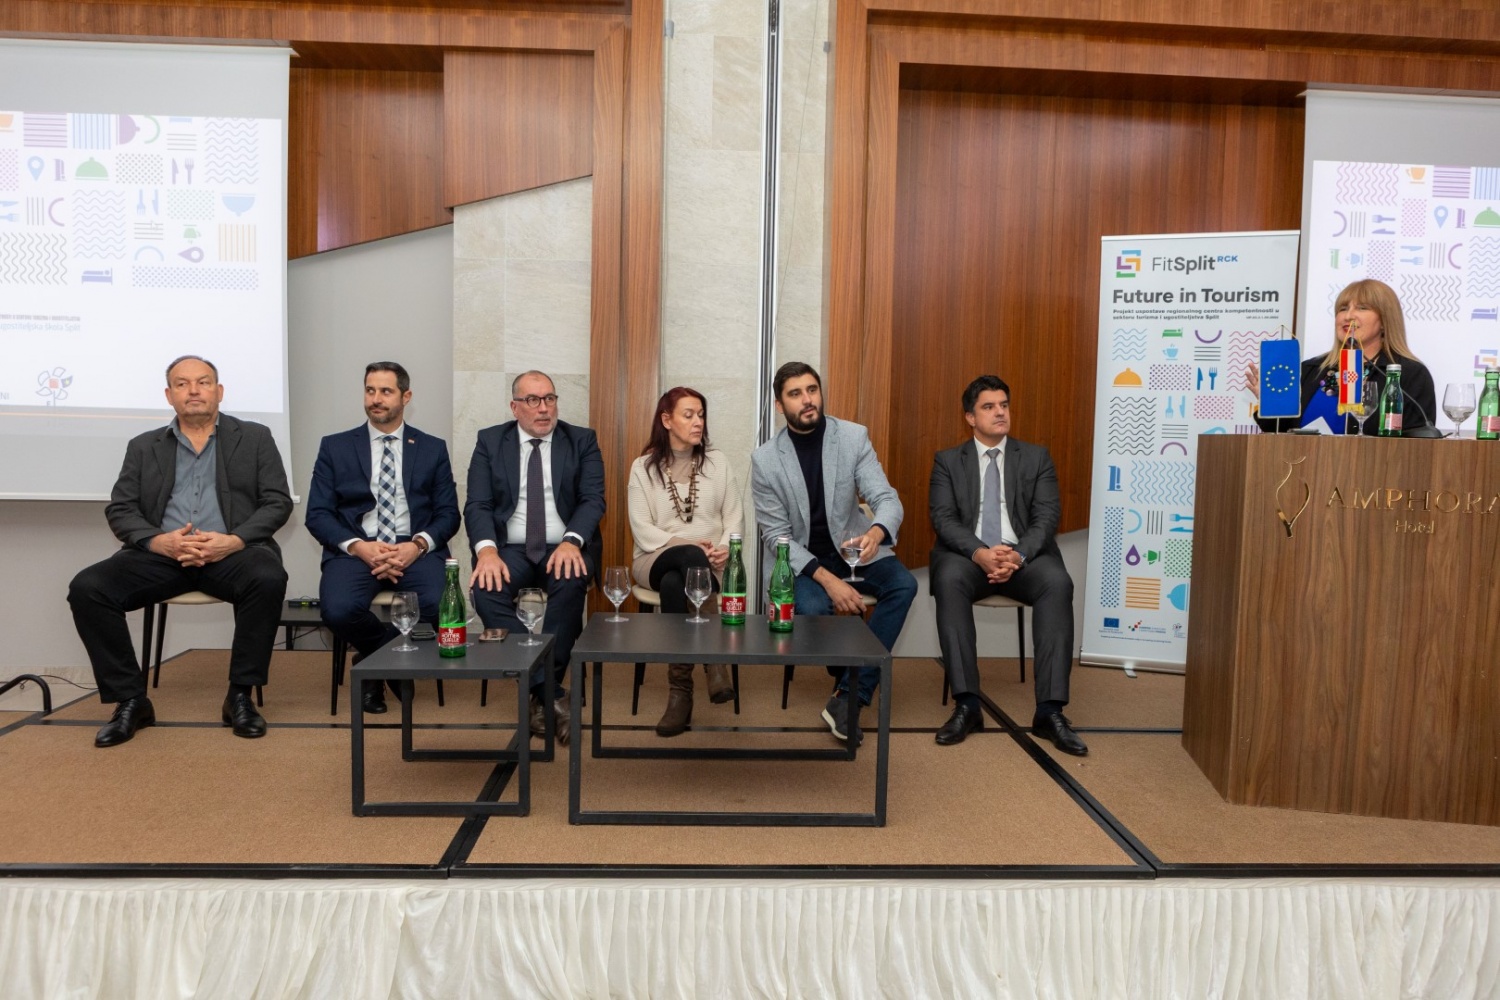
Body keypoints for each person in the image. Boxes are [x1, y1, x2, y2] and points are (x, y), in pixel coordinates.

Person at [67, 356, 291, 747]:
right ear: (169, 395)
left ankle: (240, 696)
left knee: (268, 577)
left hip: (231, 553)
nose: (194, 391)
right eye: (182, 384)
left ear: (219, 391)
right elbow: (121, 509)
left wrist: (233, 540)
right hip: (162, 556)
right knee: (88, 588)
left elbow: (277, 502)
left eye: (203, 382)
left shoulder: (255, 437)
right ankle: (131, 700)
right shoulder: (143, 446)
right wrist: (159, 542)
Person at [750, 361, 917, 747]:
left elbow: (886, 498)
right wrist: (830, 582)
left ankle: (848, 694)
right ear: (780, 406)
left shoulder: (853, 437)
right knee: (813, 608)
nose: (807, 400)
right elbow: (776, 537)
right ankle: (853, 686)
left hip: (852, 548)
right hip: (801, 561)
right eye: (795, 394)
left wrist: (876, 531)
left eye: (812, 389)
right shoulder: (766, 460)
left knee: (904, 585)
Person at [928, 375, 1085, 754]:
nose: (1000, 413)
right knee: (947, 578)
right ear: (970, 417)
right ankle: (968, 705)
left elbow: (1046, 517)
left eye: (1004, 405)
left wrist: (1017, 555)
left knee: (1057, 583)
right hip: (969, 558)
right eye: (989, 407)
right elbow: (943, 518)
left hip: (1024, 557)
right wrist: (980, 553)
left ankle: (1050, 711)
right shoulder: (948, 461)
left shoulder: (1036, 457)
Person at [305, 362, 460, 714]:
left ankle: (371, 663)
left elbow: (449, 514)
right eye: (370, 390)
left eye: (386, 391)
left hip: (413, 547)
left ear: (406, 396)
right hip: (357, 546)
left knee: (441, 605)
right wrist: (359, 547)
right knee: (338, 610)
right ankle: (384, 660)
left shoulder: (432, 448)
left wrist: (416, 546)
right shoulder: (335, 447)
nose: (376, 399)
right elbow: (318, 514)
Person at [465, 370, 605, 746]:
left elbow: (593, 500)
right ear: (515, 407)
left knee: (570, 580)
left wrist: (573, 541)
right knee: (485, 586)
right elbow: (478, 505)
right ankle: (550, 692)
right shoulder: (490, 441)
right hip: (509, 548)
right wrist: (487, 551)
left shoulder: (581, 440)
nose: (543, 408)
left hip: (563, 544)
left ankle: (539, 691)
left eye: (549, 399)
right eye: (533, 400)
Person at [627, 387, 745, 736]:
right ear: (667, 420)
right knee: (687, 559)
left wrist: (724, 548)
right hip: (653, 557)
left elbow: (734, 517)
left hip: (709, 564)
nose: (698, 422)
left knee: (676, 583)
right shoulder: (642, 468)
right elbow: (642, 528)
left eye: (701, 415)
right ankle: (714, 661)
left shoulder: (718, 462)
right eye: (689, 415)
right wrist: (691, 545)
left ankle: (680, 692)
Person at [1246, 278, 1437, 434]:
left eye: (1362, 308)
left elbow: (1415, 444)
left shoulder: (1409, 374)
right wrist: (1272, 403)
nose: (1348, 316)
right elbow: (1279, 432)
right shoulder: (1310, 370)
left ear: (1385, 321)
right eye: (1343, 309)